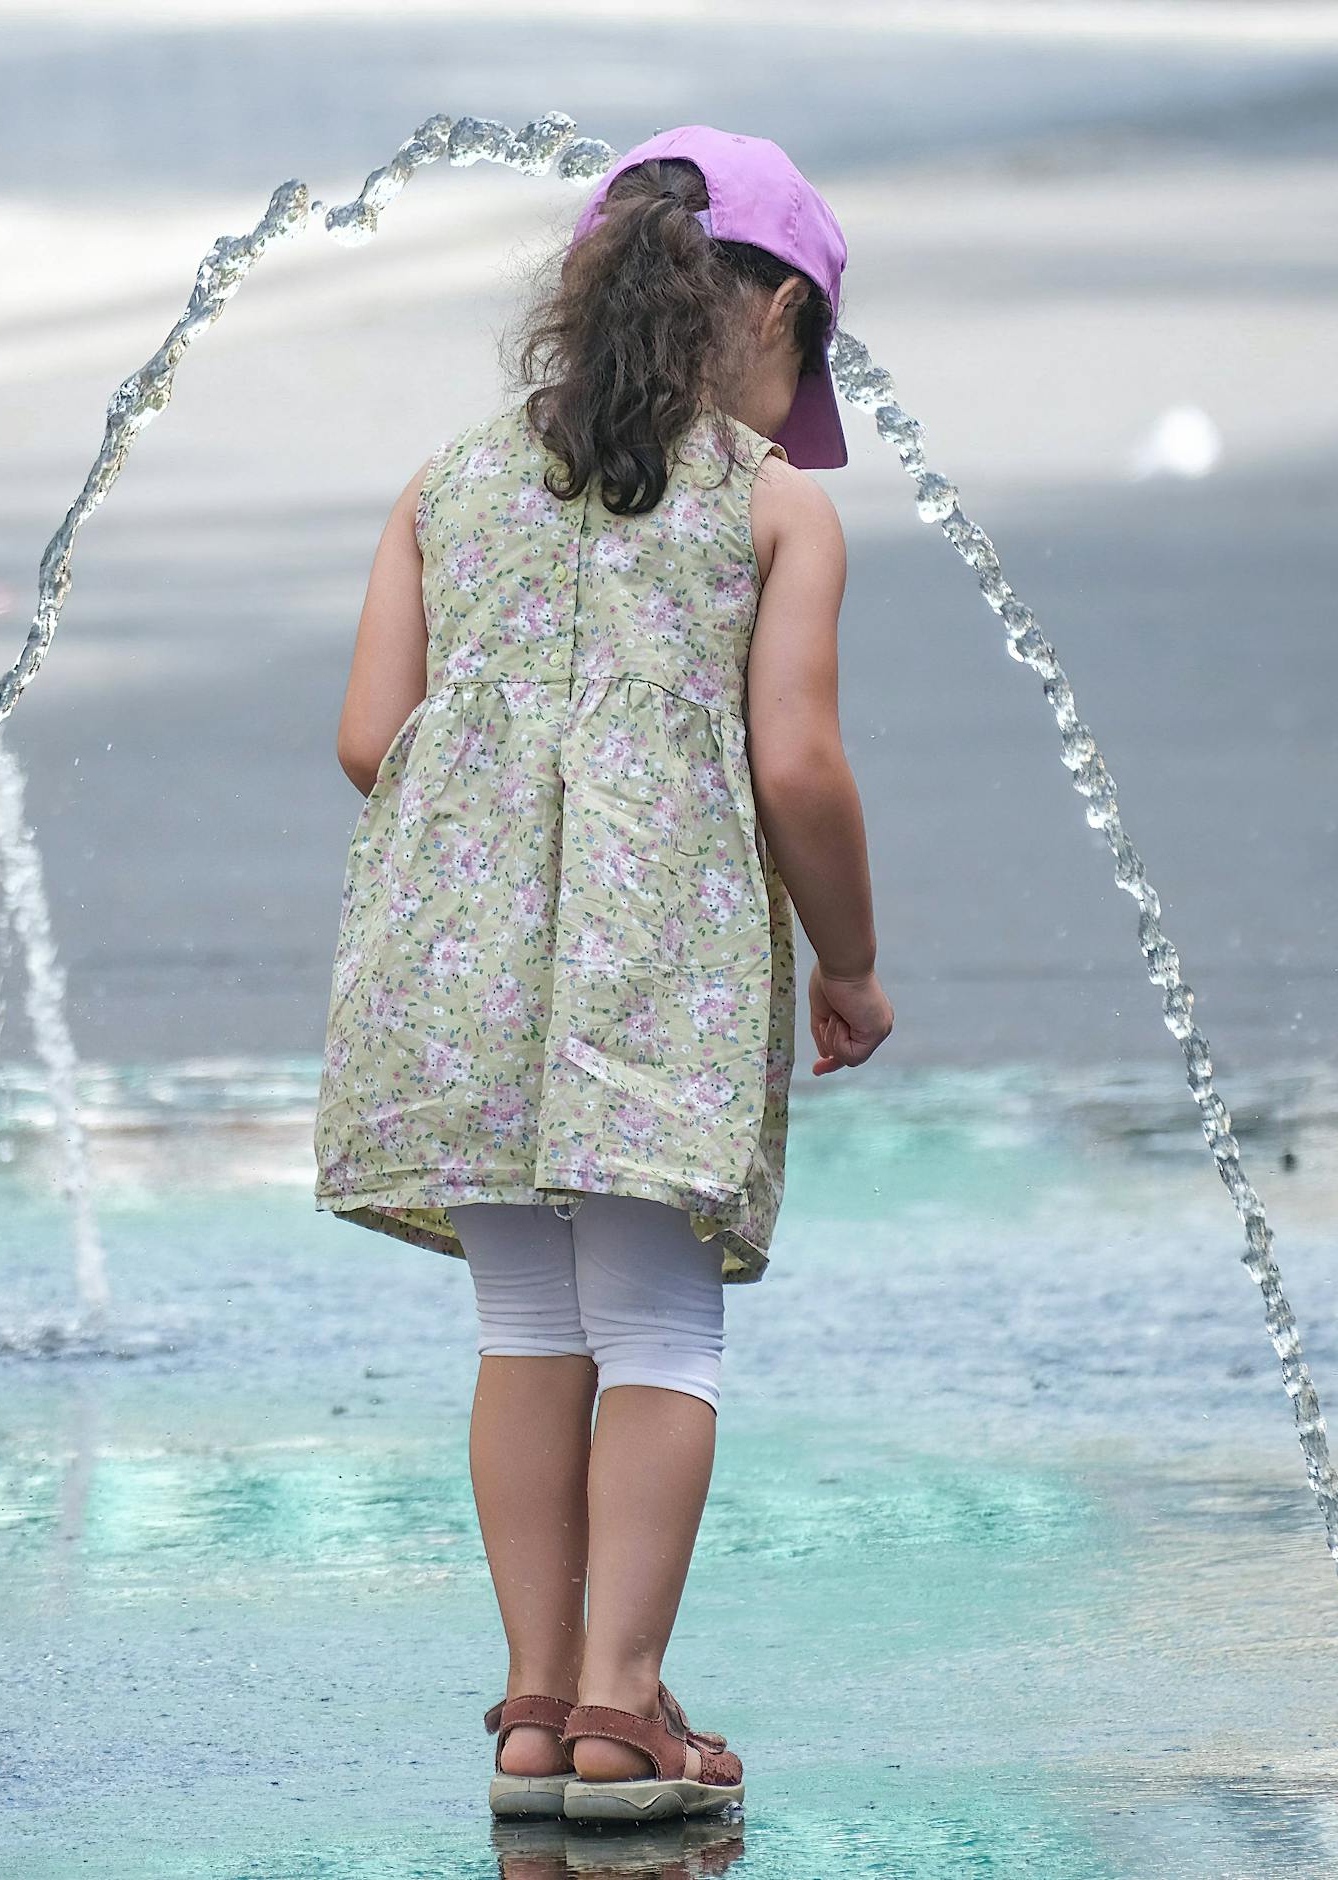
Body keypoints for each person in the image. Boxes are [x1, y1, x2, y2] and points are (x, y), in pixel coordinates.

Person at [312, 124, 892, 1824]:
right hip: (660, 963)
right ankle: (629, 1709)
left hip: (453, 949)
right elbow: (796, 768)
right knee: (657, 1323)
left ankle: (535, 1710)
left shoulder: (446, 483)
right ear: (778, 306)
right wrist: (847, 959)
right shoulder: (772, 511)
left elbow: (367, 741)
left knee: (521, 1320)